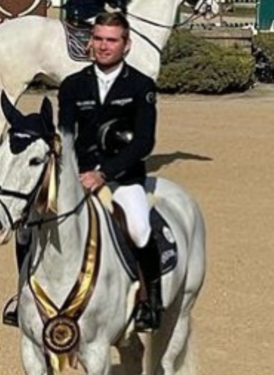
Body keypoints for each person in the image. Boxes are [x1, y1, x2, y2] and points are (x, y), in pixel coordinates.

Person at [59, 11, 162, 332]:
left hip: (122, 178)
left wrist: (103, 173)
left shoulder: (141, 86)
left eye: (112, 40)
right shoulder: (72, 85)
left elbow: (144, 142)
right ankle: (22, 296)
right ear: (91, 42)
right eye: (99, 39)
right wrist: (73, 171)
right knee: (28, 223)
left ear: (126, 45)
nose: (104, 46)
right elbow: (65, 134)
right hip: (77, 176)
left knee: (140, 229)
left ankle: (150, 302)